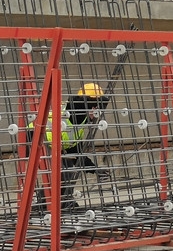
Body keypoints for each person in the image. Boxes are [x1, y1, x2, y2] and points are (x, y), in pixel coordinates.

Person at [28, 82, 111, 213]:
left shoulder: (81, 120)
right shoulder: (66, 114)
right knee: (62, 170)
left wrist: (94, 169)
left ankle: (52, 203)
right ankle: (54, 204)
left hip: (53, 146)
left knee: (68, 168)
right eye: (95, 107)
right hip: (34, 140)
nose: (96, 113)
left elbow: (75, 151)